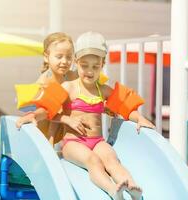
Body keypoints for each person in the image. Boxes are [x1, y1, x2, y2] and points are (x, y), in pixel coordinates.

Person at [16, 32, 155, 200]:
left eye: (95, 67)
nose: (89, 71)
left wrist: (139, 118)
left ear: (103, 64)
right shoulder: (68, 87)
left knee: (111, 159)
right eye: (84, 65)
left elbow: (125, 105)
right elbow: (48, 107)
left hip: (97, 141)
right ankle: (112, 190)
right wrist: (33, 116)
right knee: (93, 160)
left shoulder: (103, 90)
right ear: (77, 63)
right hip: (73, 143)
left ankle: (132, 187)